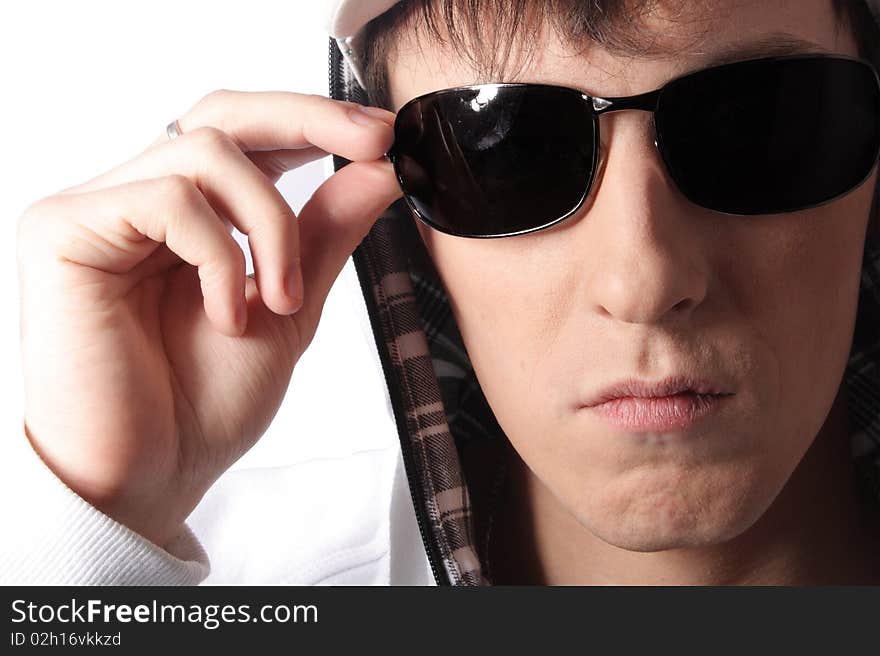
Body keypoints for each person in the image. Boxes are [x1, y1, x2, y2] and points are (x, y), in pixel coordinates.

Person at [5, 0, 880, 586]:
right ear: (397, 208)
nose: (644, 281)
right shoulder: (207, 580)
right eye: (504, 150)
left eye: (759, 124)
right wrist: (98, 528)